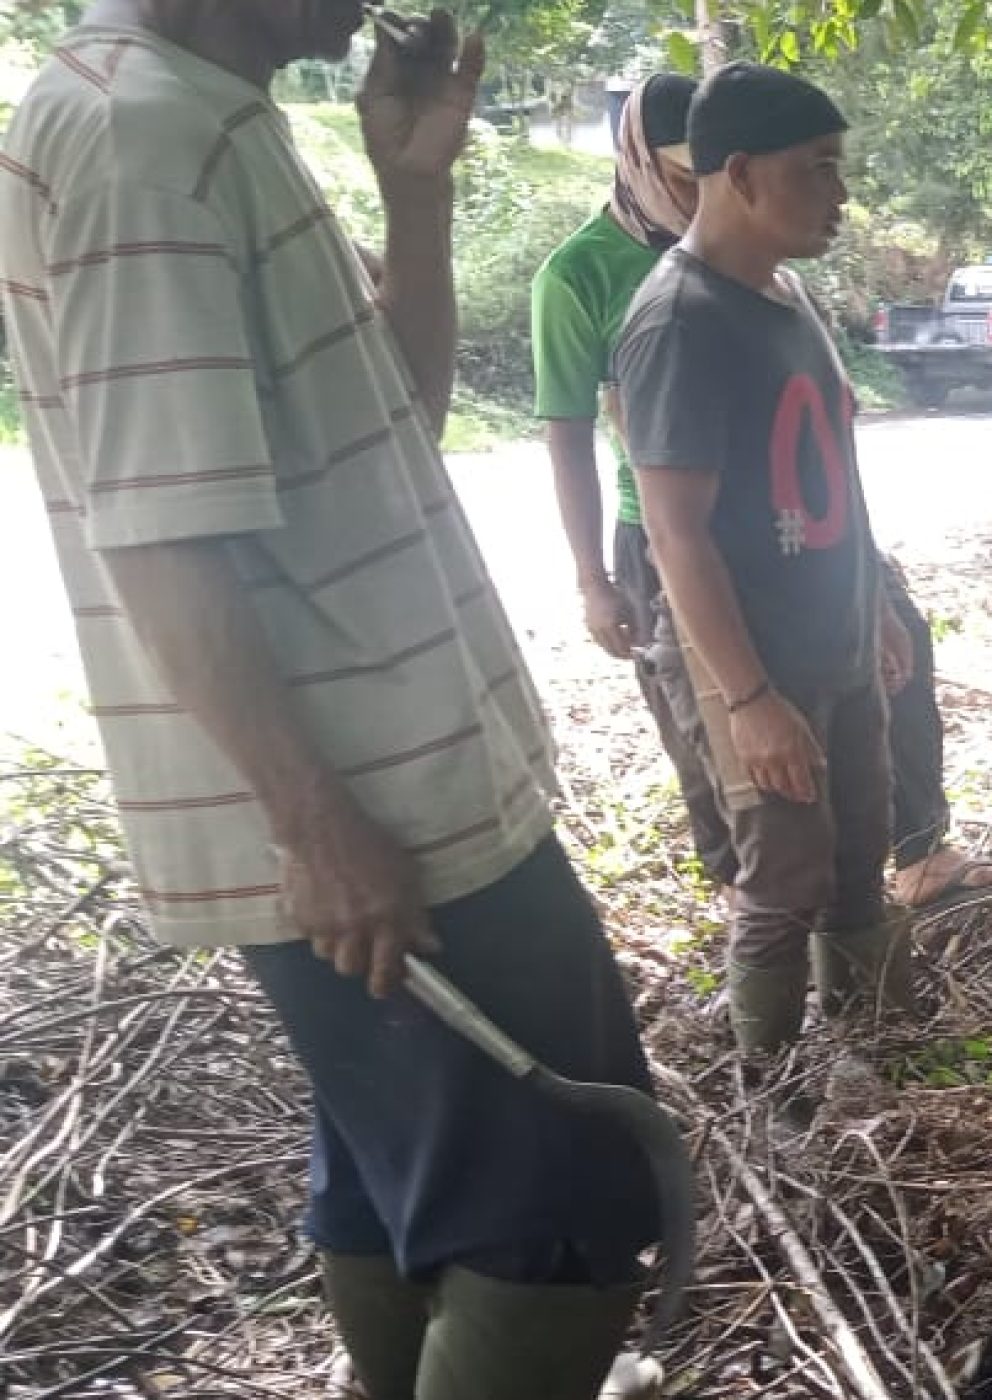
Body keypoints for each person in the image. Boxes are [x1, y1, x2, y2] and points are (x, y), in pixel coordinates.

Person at [0, 4, 662, 1398]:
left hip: (384, 794)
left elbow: (394, 404)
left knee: (395, 1169)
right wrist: (313, 825)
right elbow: (161, 535)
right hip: (378, 811)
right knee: (567, 1207)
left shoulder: (197, 113)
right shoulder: (141, 140)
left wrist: (412, 192)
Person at [530, 73, 992, 916]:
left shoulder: (781, 282)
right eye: (683, 175)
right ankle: (760, 918)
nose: (694, 190)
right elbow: (583, 448)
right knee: (758, 795)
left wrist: (871, 590)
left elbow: (828, 450)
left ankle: (910, 857)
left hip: (811, 540)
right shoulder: (608, 285)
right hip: (686, 543)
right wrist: (593, 579)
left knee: (875, 712)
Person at [615, 64, 912, 1052]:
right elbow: (675, 535)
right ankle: (772, 1100)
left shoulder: (789, 296)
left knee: (860, 852)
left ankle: (871, 1062)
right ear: (739, 173)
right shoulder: (678, 321)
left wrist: (875, 607)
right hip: (751, 662)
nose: (841, 192)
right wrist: (748, 699)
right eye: (817, 167)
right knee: (785, 877)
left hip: (836, 639)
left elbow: (836, 473)